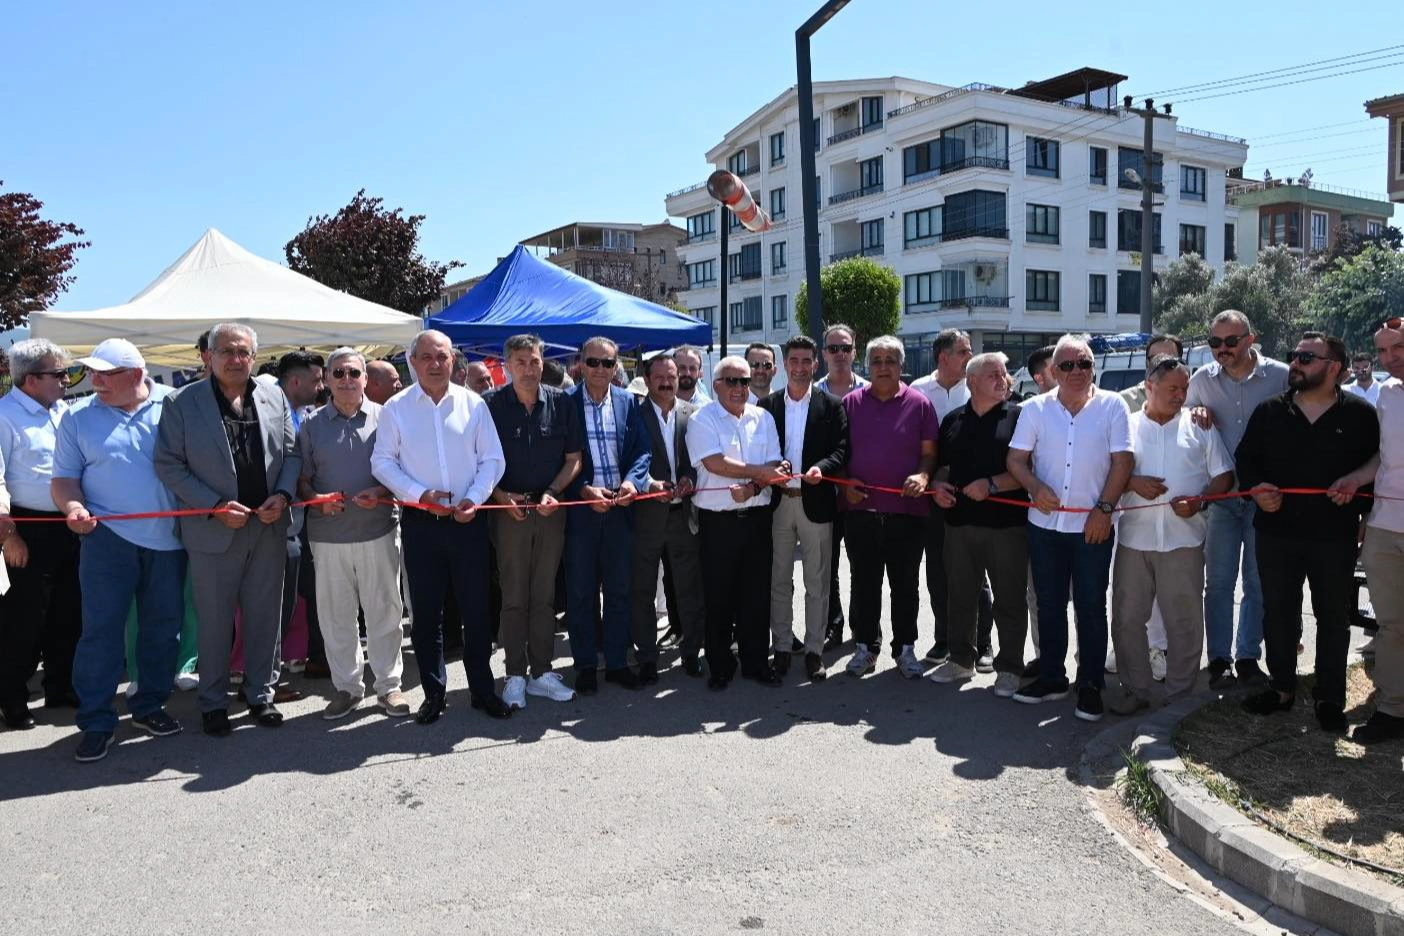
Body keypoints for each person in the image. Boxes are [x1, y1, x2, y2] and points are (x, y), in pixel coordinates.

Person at [155, 323, 300, 737]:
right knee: (216, 622)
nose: (236, 359)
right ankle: (213, 702)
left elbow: (292, 453)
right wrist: (214, 506)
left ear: (254, 357)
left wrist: (283, 495)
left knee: (265, 618)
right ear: (209, 356)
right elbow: (168, 464)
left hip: (267, 527)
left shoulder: (273, 396)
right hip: (214, 530)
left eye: (243, 352)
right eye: (227, 351)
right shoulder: (181, 402)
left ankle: (260, 695)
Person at [51, 339, 187, 763]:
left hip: (170, 540)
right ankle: (96, 721)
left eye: (105, 374)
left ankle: (149, 705)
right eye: (93, 373)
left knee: (163, 628)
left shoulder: (177, 405)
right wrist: (73, 508)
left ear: (136, 375)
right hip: (105, 539)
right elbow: (64, 480)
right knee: (101, 632)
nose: (95, 381)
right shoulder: (76, 417)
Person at [1236, 333, 1379, 733]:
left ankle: (1329, 698)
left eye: (1305, 358)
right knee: (1278, 611)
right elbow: (1246, 461)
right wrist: (1256, 489)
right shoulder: (1269, 411)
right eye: (1294, 356)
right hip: (1276, 533)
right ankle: (1281, 688)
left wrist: (1363, 508)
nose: (1295, 363)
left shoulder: (1361, 415)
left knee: (1333, 616)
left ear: (1334, 368)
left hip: (1334, 536)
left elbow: (1375, 467)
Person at [372, 330, 509, 723]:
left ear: (453, 361)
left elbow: (493, 460)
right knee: (427, 615)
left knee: (477, 611)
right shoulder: (396, 408)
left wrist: (475, 498)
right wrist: (420, 494)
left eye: (443, 357)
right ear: (413, 362)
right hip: (422, 524)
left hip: (469, 523)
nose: (435, 364)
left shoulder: (473, 404)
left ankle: (482, 690)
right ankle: (434, 694)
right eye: (427, 357)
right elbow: (382, 462)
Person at [1007, 334, 1133, 722]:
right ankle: (1052, 677)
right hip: (1045, 527)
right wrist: (1034, 486)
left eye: (1085, 363)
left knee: (1091, 606)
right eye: (1067, 365)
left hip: (1093, 526)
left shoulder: (1113, 405)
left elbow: (1123, 462)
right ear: (1053, 371)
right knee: (1049, 605)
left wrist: (1104, 510)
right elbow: (1015, 460)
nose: (1077, 371)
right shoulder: (1035, 408)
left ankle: (1090, 684)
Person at [1108, 355, 1234, 715]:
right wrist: (1131, 482)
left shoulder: (1199, 426)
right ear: (1149, 387)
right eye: (1172, 389)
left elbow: (1224, 475)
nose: (1181, 396)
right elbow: (1104, 472)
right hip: (1134, 541)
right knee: (1128, 619)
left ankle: (1180, 696)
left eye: (1184, 389)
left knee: (1184, 621)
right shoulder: (1126, 426)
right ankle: (1136, 690)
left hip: (1184, 541)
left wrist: (1201, 500)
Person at [296, 348, 409, 720]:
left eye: (354, 373)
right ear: (327, 380)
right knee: (336, 617)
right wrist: (315, 501)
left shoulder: (387, 418)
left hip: (379, 530)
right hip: (328, 537)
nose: (346, 380)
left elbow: (403, 471)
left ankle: (389, 687)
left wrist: (382, 491)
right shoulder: (310, 425)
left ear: (365, 379)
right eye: (339, 373)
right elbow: (302, 480)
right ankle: (347, 687)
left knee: (385, 612)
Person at [1186, 310, 1289, 689]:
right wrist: (1194, 412)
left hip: (1265, 498)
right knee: (1218, 583)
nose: (1222, 349)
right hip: (1222, 498)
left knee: (1258, 583)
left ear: (1250, 339)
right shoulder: (1201, 380)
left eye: (1231, 341)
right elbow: (1185, 430)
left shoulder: (1281, 376)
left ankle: (1248, 657)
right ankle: (1219, 660)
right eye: (1215, 342)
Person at [484, 334, 582, 709]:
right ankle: (514, 674)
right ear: (507, 365)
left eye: (535, 361)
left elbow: (574, 459)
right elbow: (478, 460)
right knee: (514, 596)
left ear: (543, 363)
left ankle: (541, 672)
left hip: (549, 510)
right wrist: (499, 496)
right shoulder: (490, 405)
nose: (528, 369)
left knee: (544, 596)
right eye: (521, 362)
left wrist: (554, 491)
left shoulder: (561, 403)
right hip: (508, 511)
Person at [928, 352, 1029, 697]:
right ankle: (960, 659)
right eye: (993, 374)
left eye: (1004, 373)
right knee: (959, 596)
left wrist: (993, 484)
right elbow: (944, 466)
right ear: (972, 382)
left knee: (1009, 600)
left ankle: (1010, 668)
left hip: (1007, 528)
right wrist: (938, 485)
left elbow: (1031, 470)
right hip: (959, 525)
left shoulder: (1019, 417)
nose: (1003, 379)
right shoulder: (952, 420)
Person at [842, 336, 938, 680]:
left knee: (905, 585)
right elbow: (839, 454)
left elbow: (929, 454)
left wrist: (923, 476)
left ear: (901, 365)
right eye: (877, 360)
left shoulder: (920, 404)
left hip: (907, 513)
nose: (883, 367)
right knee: (864, 584)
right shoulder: (850, 403)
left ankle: (905, 649)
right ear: (867, 366)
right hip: (861, 513)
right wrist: (845, 483)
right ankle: (865, 648)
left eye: (890, 360)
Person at [687, 356, 785, 690]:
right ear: (716, 385)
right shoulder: (702, 419)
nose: (740, 388)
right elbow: (715, 463)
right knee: (718, 597)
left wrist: (754, 487)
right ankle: (720, 665)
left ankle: (756, 663)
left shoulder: (763, 417)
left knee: (756, 595)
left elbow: (775, 464)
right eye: (732, 381)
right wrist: (760, 474)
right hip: (718, 524)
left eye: (744, 381)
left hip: (757, 519)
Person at [563, 336, 651, 694]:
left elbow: (642, 451)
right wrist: (584, 489)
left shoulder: (628, 401)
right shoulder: (565, 402)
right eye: (593, 362)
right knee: (581, 593)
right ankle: (585, 665)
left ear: (617, 367)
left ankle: (616, 663)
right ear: (580, 364)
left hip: (620, 507)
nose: (600, 369)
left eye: (608, 363)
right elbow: (558, 458)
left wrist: (632, 483)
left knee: (619, 590)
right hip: (581, 510)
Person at [0, 338, 80, 726]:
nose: (67, 379)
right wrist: (8, 535)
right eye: (59, 373)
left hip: (68, 524)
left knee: (68, 612)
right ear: (32, 379)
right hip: (26, 528)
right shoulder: (4, 415)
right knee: (26, 617)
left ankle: (60, 686)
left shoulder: (64, 412)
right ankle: (11, 696)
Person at [758, 336, 847, 681]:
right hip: (778, 503)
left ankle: (814, 650)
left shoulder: (832, 405)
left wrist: (821, 468)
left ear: (815, 364)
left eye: (806, 361)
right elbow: (758, 449)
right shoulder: (768, 405)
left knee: (817, 582)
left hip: (816, 503)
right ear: (784, 365)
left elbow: (841, 449)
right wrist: (771, 466)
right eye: (793, 360)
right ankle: (781, 647)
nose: (799, 367)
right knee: (778, 580)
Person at [909, 329, 989, 666]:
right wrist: (930, 484)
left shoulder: (977, 388)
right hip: (932, 495)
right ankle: (944, 639)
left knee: (977, 571)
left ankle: (983, 644)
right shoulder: (917, 392)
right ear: (943, 357)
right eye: (963, 352)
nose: (970, 357)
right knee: (938, 571)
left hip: (974, 495)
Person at [1345, 321, 1404, 743]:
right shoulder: (1385, 394)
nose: (1389, 359)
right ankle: (1392, 710)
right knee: (1391, 625)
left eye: (1397, 348)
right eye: (1382, 351)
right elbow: (1381, 458)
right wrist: (1354, 481)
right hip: (1384, 528)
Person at [631, 354, 707, 679]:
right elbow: (629, 459)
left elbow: (697, 459)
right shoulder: (633, 415)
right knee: (643, 591)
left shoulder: (693, 414)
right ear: (647, 380)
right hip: (646, 516)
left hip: (682, 516)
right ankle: (647, 657)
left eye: (671, 377)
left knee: (689, 588)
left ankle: (691, 652)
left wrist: (689, 477)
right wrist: (649, 483)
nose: (666, 383)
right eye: (660, 377)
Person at [1115, 334, 1186, 683]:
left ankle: (1159, 650)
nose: (1162, 363)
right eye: (1155, 359)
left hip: (1179, 528)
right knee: (1128, 598)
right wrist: (1130, 483)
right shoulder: (1122, 404)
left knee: (1170, 601)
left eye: (1170, 358)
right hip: (1132, 522)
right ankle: (1130, 657)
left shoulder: (1190, 404)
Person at [813, 324, 869, 652]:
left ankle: (863, 626)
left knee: (863, 566)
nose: (839, 354)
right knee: (827, 567)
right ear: (824, 354)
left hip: (861, 494)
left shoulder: (871, 391)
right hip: (825, 495)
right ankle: (833, 626)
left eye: (845, 348)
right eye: (833, 348)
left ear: (854, 352)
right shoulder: (812, 393)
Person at [274, 351, 326, 689]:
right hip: (276, 526)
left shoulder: (301, 415)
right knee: (275, 606)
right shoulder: (270, 415)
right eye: (316, 380)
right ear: (295, 381)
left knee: (296, 599)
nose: (321, 387)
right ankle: (261, 683)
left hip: (298, 525)